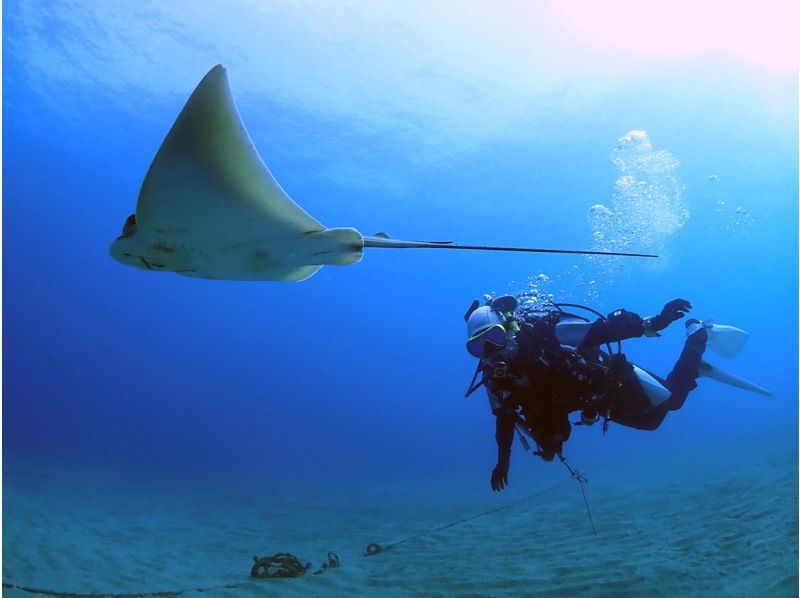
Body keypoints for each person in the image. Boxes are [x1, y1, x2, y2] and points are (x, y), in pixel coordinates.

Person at [463, 295, 708, 492]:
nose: (490, 351)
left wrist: (655, 322)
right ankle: (689, 372)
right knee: (651, 422)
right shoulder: (494, 378)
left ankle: (697, 337)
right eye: (478, 347)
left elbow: (602, 331)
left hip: (607, 381)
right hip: (588, 401)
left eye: (494, 337)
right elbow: (504, 416)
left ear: (508, 327)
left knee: (673, 402)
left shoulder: (544, 334)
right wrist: (503, 461)